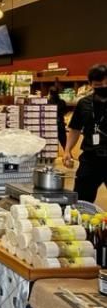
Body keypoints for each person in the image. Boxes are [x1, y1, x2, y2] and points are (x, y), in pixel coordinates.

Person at [63, 64, 107, 203]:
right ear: (90, 84)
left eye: (106, 84)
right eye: (98, 85)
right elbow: (75, 129)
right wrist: (67, 150)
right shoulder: (84, 103)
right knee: (81, 201)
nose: (103, 87)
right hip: (90, 158)